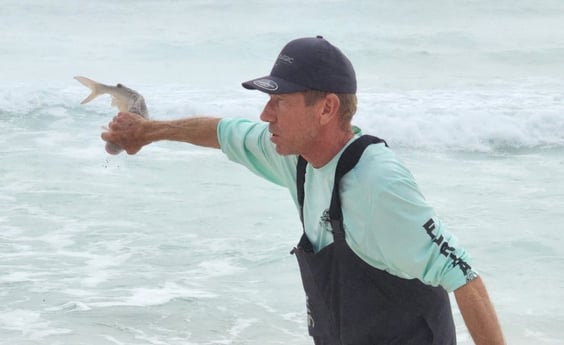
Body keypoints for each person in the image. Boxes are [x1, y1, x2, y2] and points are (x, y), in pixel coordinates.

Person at [101, 36, 505, 345]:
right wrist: (147, 132)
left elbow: (466, 278)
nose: (265, 114)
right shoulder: (296, 157)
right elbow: (221, 131)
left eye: (280, 102)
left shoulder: (379, 185)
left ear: (327, 108)